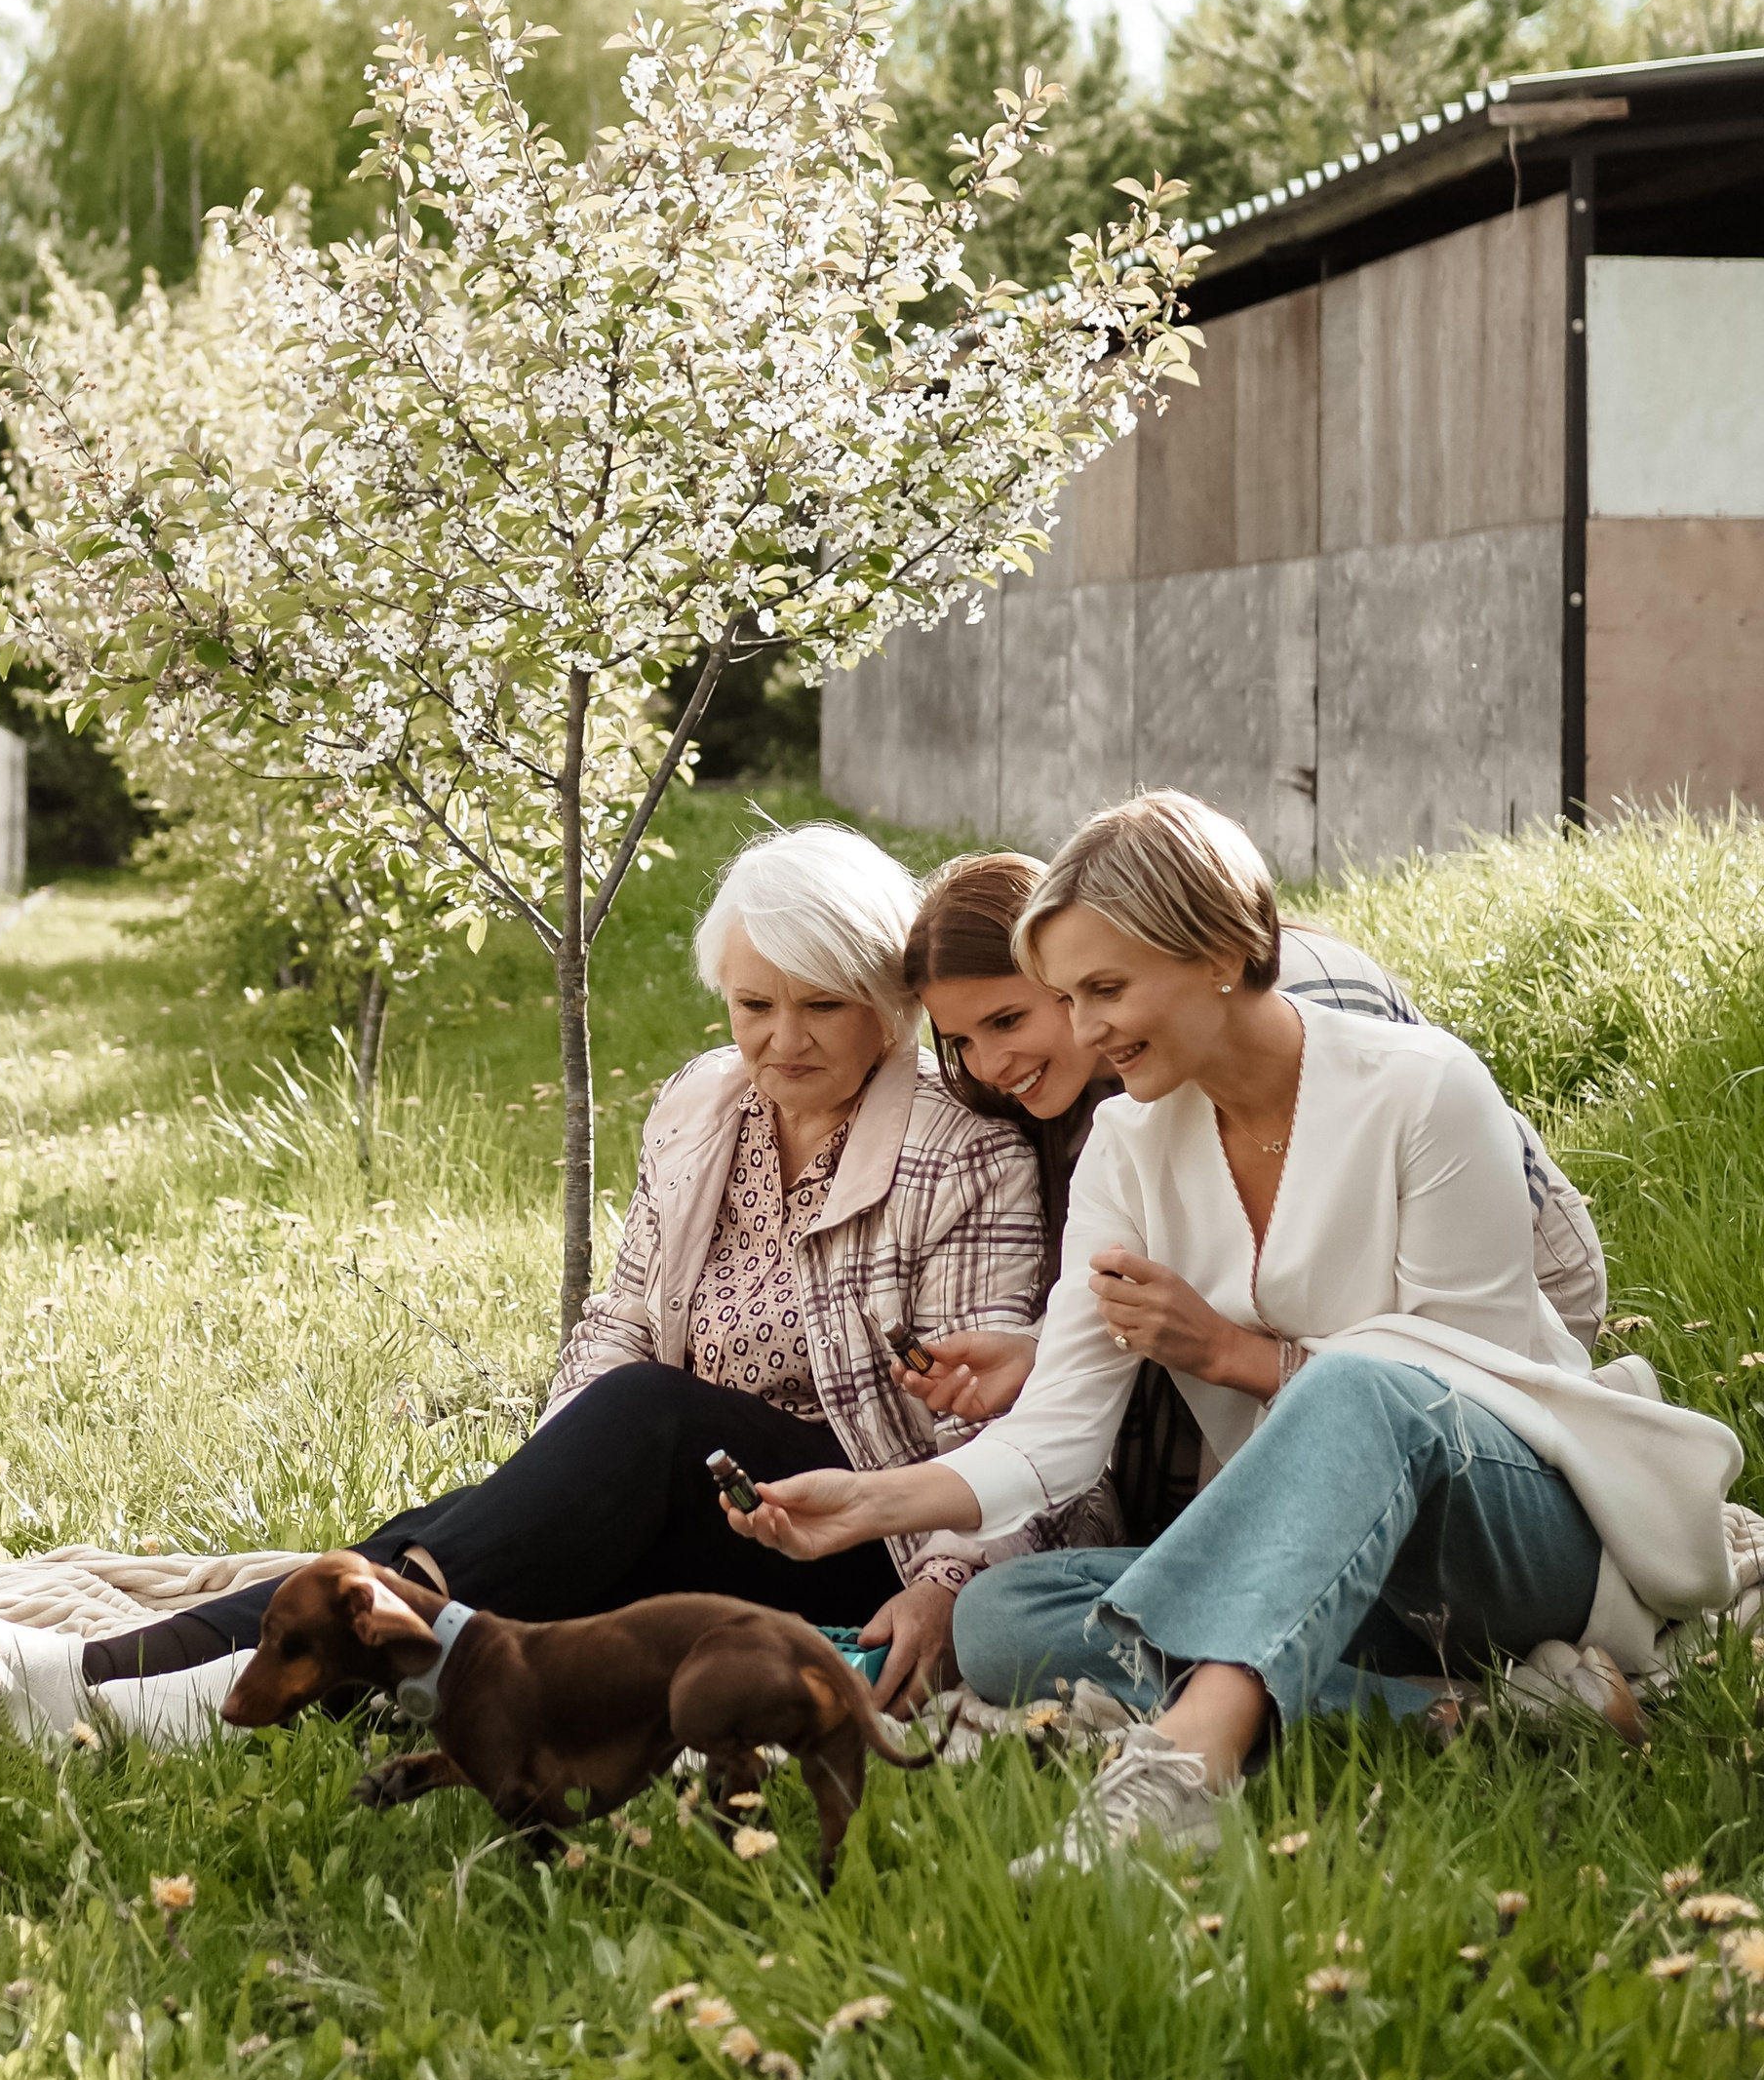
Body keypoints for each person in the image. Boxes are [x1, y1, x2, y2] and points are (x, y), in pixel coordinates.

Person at [727, 792, 1739, 1869]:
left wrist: (1232, 1355)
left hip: (1512, 1530)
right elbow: (1058, 1434)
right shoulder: (1123, 1141)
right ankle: (1460, 1713)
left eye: (1106, 988)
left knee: (1358, 1382)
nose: (1083, 1029)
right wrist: (867, 1503)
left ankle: (1179, 1771)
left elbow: (1467, 1384)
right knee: (1004, 1616)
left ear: (1220, 949)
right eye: (1067, 995)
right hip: (1321, 1563)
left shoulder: (1421, 1087)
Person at [0, 823, 1054, 1750]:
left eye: (821, 1005)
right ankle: (96, 1675)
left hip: (868, 1537)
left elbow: (1001, 1427)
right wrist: (554, 1472)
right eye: (754, 1005)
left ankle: (178, 1693)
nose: (779, 1039)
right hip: (705, 1503)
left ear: (888, 1005)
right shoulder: (706, 1106)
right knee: (454, 1535)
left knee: (637, 1422)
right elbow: (625, 1315)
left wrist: (948, 1583)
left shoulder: (958, 1153)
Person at [897, 850, 1608, 1581]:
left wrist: (1229, 1354)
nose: (986, 1064)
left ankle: (1248, 1661)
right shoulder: (1119, 1105)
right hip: (1299, 1356)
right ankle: (1371, 1681)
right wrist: (1045, 1352)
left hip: (1500, 1299)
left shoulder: (1317, 1023)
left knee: (1283, 1510)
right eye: (959, 1042)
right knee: (1017, 1610)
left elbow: (1430, 1387)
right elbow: (1144, 1322)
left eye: (1008, 1018)